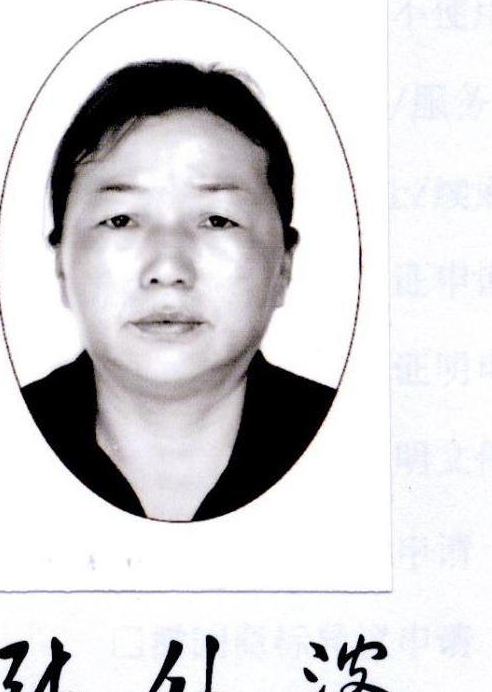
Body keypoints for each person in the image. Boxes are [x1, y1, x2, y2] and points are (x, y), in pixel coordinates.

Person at [21, 60, 336, 522]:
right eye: (120, 220)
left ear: (284, 265)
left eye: (218, 220)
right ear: (61, 263)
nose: (168, 269)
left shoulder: (359, 440)